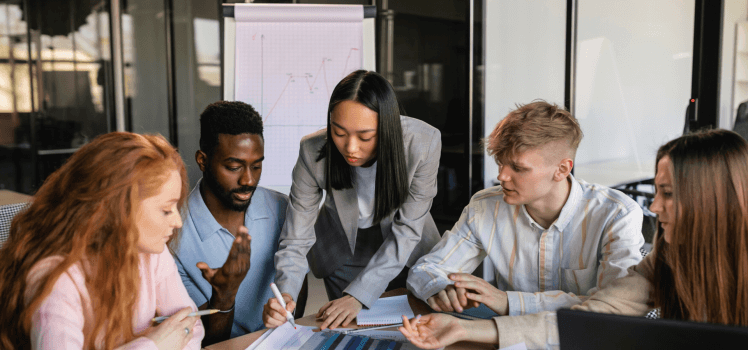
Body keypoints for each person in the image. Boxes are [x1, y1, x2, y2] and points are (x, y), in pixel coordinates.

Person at [399, 129, 748, 349]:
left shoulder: (616, 213)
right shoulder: (666, 258)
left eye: (668, 194)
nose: (655, 207)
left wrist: (506, 302)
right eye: (658, 191)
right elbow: (595, 317)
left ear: (712, 198)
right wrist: (463, 330)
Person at [407, 101, 644, 316]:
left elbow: (614, 308)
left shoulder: (616, 214)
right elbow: (427, 268)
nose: (502, 176)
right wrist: (440, 287)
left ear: (562, 169)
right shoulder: (485, 207)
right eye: (500, 163)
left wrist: (508, 301)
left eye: (518, 168)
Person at [263, 70, 442, 330]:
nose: (351, 148)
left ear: (387, 128)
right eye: (339, 132)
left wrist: (360, 294)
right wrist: (285, 295)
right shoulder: (312, 151)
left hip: (405, 248)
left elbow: (407, 231)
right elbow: (295, 237)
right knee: (351, 330)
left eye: (365, 136)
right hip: (342, 249)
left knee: (411, 329)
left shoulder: (423, 143)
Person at [0, 132, 204, 349]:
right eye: (165, 210)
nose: (177, 221)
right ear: (117, 209)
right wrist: (155, 344)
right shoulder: (56, 277)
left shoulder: (152, 252)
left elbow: (193, 328)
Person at [171, 101, 289, 343]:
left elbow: (296, 283)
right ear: (202, 161)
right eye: (234, 167)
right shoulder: (173, 232)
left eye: (256, 166)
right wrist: (224, 294)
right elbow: (205, 341)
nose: (248, 180)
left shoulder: (282, 208)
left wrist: (286, 314)